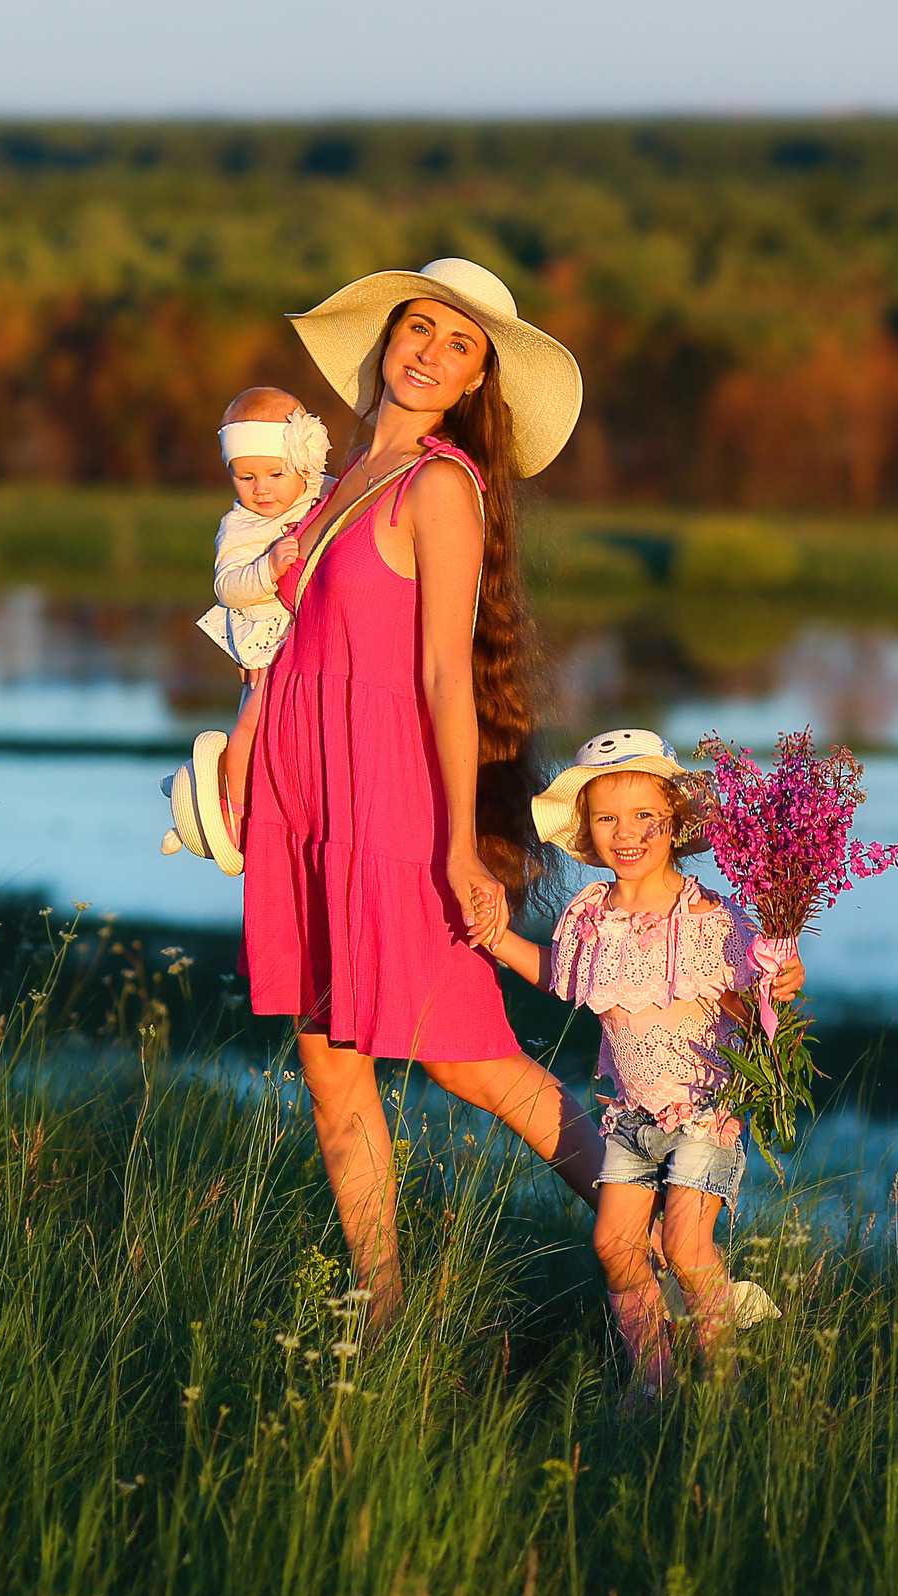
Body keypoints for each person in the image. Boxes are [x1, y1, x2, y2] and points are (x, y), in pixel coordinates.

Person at [238, 256, 606, 1331]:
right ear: (388, 336)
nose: (430, 353)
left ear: (476, 379)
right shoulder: (334, 474)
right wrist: (241, 762)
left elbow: (447, 674)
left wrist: (457, 849)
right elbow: (280, 639)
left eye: (460, 345)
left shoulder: (439, 483)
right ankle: (382, 1319)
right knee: (327, 1065)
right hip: (302, 793)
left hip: (392, 802)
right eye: (420, 328)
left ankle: (663, 1244)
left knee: (470, 1059)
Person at [482, 730, 805, 1391]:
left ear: (674, 821)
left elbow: (755, 996)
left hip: (706, 1110)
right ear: (588, 830)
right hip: (629, 1116)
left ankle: (722, 1386)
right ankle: (652, 1383)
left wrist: (781, 979)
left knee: (687, 1248)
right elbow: (558, 975)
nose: (625, 833)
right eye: (607, 818)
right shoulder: (590, 915)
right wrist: (495, 939)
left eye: (642, 817)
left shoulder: (710, 914)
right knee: (615, 1246)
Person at [196, 387, 330, 829]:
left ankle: (280, 798)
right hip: (267, 644)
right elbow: (227, 586)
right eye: (245, 477)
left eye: (275, 474)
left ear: (302, 463)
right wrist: (266, 568)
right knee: (253, 721)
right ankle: (232, 807)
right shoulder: (240, 527)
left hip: (311, 639)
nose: (261, 490)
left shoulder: (323, 493)